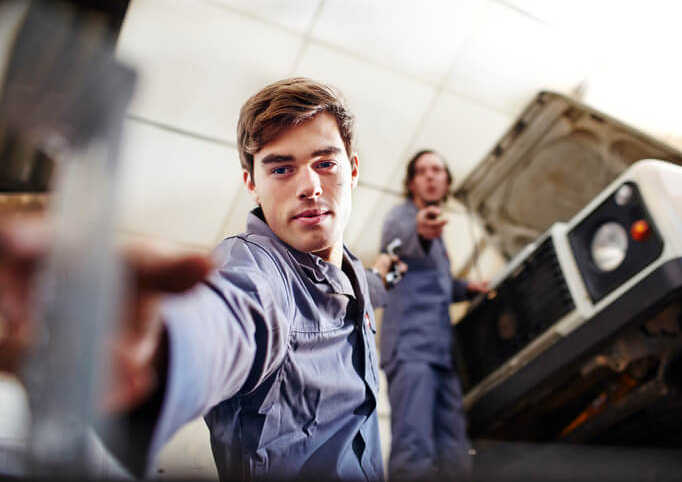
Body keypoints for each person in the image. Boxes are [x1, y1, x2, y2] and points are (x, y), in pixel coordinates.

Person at [0, 77, 405, 481]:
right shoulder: (254, 269)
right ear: (252, 185)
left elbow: (365, 291)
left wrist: (385, 277)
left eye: (325, 163)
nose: (310, 186)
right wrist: (158, 348)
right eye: (281, 168)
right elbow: (227, 318)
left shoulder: (350, 271)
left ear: (352, 169)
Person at [379, 150, 488, 480]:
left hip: (441, 354)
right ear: (411, 183)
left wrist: (467, 288)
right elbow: (395, 246)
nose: (430, 176)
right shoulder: (402, 217)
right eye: (422, 171)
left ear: (446, 182)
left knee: (455, 449)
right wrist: (421, 230)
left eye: (437, 170)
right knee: (414, 446)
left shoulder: (441, 246)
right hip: (411, 350)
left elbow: (436, 284)